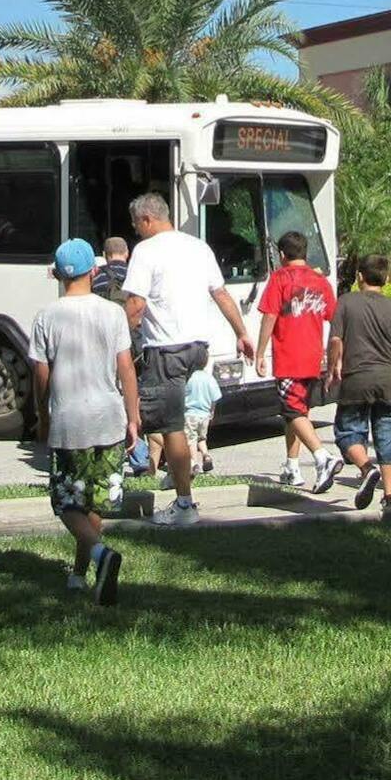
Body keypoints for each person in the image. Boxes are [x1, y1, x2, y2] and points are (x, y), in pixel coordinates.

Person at [122, 192, 253, 528]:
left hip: (167, 349)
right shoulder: (198, 246)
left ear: (147, 219)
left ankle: (184, 503)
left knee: (170, 427)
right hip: (198, 348)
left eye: (137, 224)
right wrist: (242, 333)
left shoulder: (145, 251)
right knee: (185, 417)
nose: (137, 231)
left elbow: (135, 304)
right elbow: (221, 293)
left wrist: (120, 339)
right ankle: (177, 476)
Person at [27, 238, 140, 606]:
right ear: (95, 271)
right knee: (92, 502)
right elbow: (126, 370)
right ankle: (80, 574)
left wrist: (42, 415)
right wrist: (134, 418)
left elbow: (41, 376)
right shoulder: (113, 313)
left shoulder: (46, 317)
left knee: (65, 503)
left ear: (57, 275)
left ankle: (99, 556)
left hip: (68, 420)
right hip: (109, 417)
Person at [326, 253, 391, 516]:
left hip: (356, 380)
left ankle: (366, 468)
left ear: (359, 276)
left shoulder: (346, 302)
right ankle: (389, 497)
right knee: (387, 439)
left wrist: (333, 368)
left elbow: (335, 341)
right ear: (385, 278)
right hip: (388, 382)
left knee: (347, 432)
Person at [257, 229, 343, 492]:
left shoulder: (280, 278)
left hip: (289, 358)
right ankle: (292, 467)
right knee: (296, 413)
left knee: (292, 410)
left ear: (282, 255)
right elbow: (336, 320)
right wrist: (335, 358)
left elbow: (269, 316)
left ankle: (322, 457)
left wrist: (260, 352)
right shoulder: (321, 282)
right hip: (313, 359)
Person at [183, 364, 220, 476]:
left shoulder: (188, 378)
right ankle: (206, 455)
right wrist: (211, 411)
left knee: (191, 439)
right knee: (202, 438)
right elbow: (215, 397)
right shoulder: (209, 378)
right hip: (205, 414)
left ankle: (194, 463)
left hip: (189, 414)